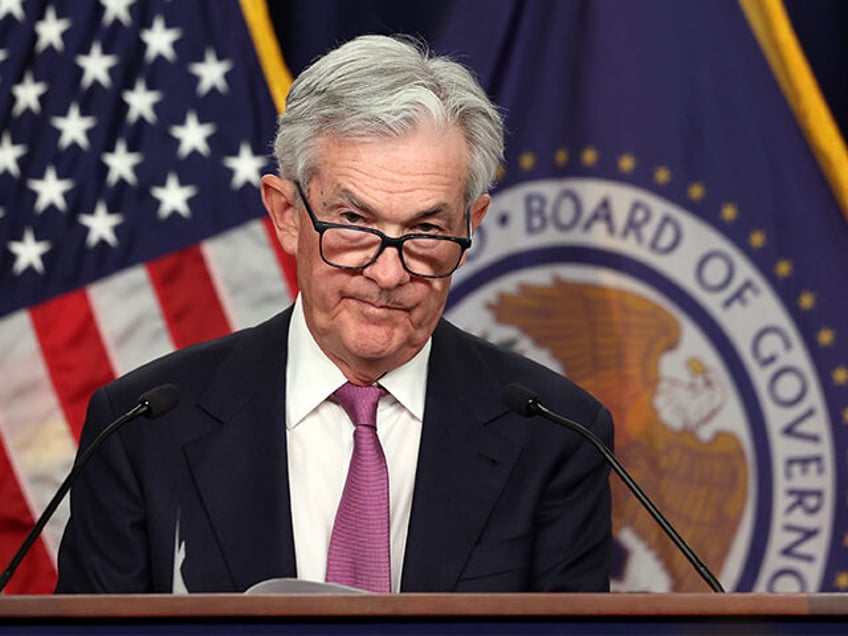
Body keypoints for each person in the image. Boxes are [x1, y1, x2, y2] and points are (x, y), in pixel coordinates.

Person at [55, 34, 613, 594]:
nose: (389, 274)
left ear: (472, 224)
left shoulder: (555, 435)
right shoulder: (142, 429)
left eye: (425, 231)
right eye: (353, 221)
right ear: (287, 213)